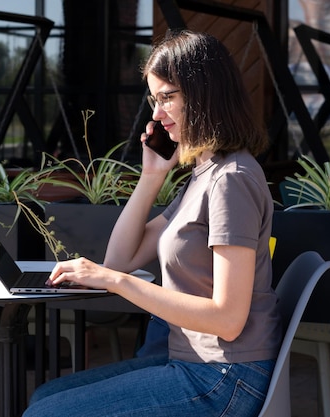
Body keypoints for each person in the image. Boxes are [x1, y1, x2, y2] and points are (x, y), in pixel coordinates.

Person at [23, 29, 282, 417]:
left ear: (203, 94)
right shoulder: (203, 174)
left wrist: (115, 283)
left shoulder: (231, 180)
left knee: (45, 414)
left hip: (223, 376)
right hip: (197, 364)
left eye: (167, 98)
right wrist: (151, 177)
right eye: (153, 99)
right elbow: (120, 259)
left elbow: (228, 320)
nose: (156, 115)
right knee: (45, 397)